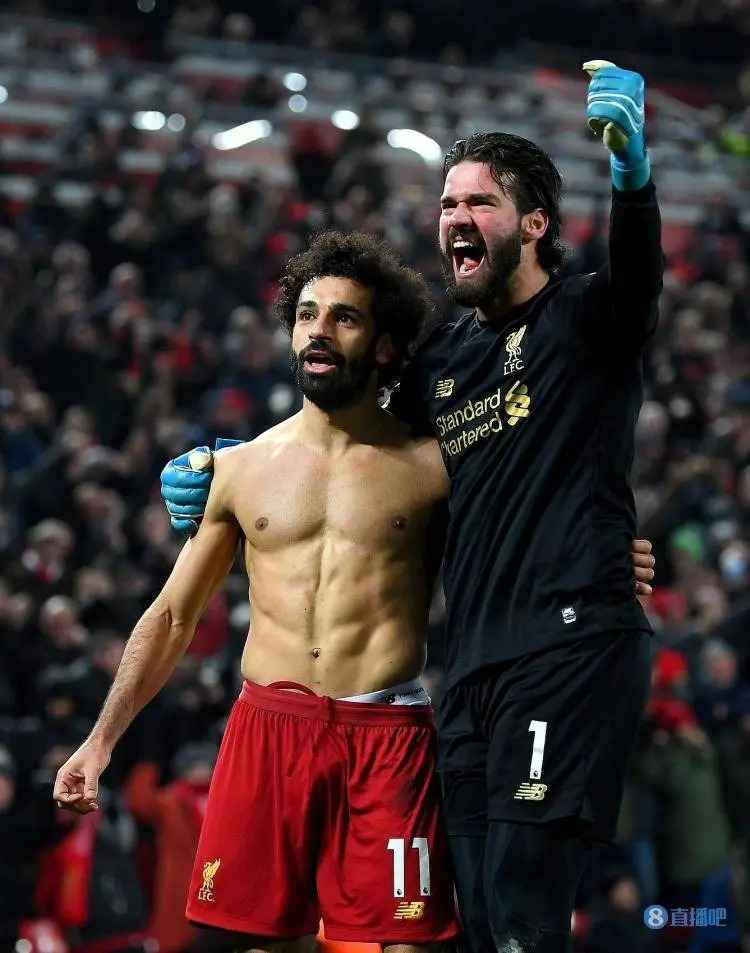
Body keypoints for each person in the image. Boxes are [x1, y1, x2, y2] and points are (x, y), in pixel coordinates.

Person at [161, 60, 661, 952]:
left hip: (566, 644)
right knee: (470, 920)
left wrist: (631, 176)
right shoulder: (442, 360)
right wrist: (220, 461)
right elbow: (346, 429)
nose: (456, 218)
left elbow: (639, 281)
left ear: (535, 224)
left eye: (480, 203)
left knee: (520, 905)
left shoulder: (585, 317)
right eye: (447, 203)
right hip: (468, 669)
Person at [54, 230, 460, 953]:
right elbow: (173, 615)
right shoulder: (241, 469)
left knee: (406, 944)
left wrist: (614, 548)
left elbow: (517, 550)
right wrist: (99, 739)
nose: (319, 331)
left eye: (344, 316)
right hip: (268, 726)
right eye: (306, 314)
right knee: (261, 943)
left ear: (384, 346)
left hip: (387, 734)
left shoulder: (432, 467)